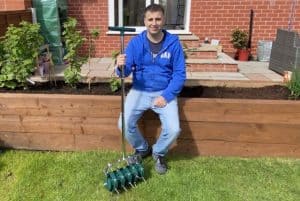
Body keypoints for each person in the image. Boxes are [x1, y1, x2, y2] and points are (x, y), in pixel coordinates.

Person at [115, 4, 186, 174]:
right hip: (139, 90)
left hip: (164, 92)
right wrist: (120, 66)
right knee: (123, 123)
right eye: (150, 19)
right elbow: (125, 72)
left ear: (163, 20)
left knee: (174, 129)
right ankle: (142, 148)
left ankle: (159, 152)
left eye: (158, 19)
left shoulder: (173, 44)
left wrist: (167, 96)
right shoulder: (135, 43)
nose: (154, 23)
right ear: (145, 21)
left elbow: (179, 74)